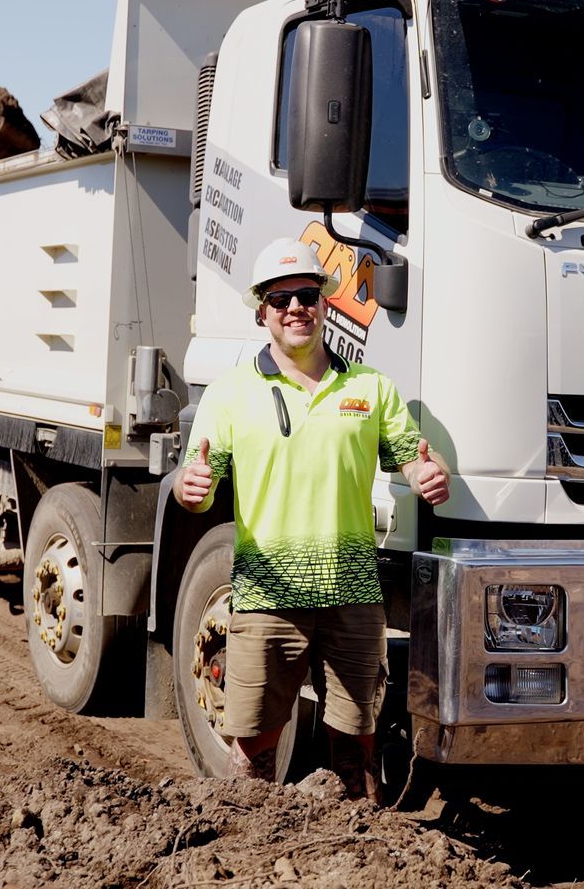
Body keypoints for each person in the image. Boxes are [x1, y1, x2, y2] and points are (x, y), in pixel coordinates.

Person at [175, 237, 450, 797]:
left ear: (325, 303)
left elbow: (413, 457)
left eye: (306, 295)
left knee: (357, 744)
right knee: (253, 749)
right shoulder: (230, 395)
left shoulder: (369, 389)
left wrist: (430, 475)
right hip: (266, 597)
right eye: (281, 301)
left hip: (352, 596)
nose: (295, 308)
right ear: (262, 313)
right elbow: (197, 489)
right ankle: (249, 854)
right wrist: (190, 488)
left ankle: (358, 859)